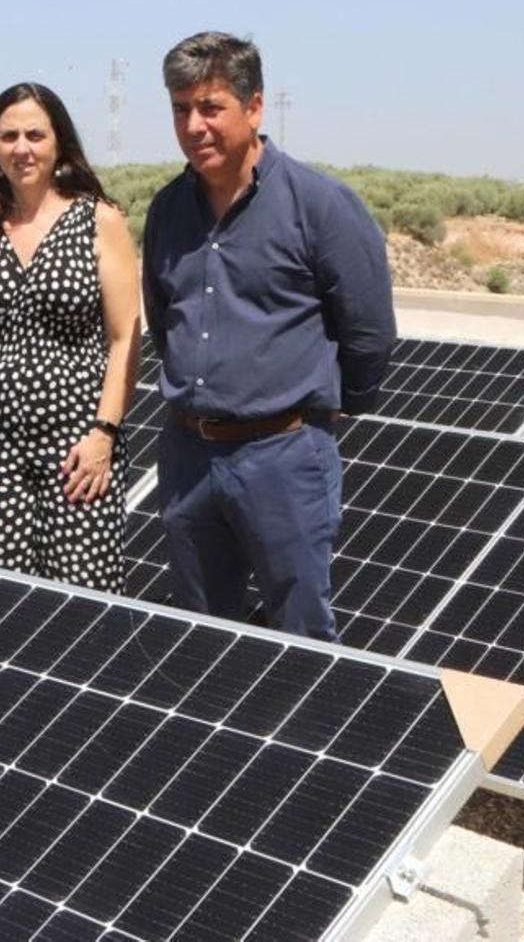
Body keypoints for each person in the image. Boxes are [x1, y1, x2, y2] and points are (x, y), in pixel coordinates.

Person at [142, 32, 396, 642]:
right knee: (203, 633)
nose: (194, 125)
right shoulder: (167, 210)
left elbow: (369, 333)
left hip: (281, 457)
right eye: (181, 109)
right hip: (186, 457)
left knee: (302, 635)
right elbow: (163, 316)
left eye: (210, 107)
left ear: (254, 107)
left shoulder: (321, 204)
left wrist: (321, 418)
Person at [0, 83, 141, 592]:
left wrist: (104, 434)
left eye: (34, 134)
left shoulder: (99, 220)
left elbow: (124, 338)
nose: (21, 148)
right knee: (7, 603)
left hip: (79, 447)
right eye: (8, 136)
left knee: (86, 594)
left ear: (58, 143)